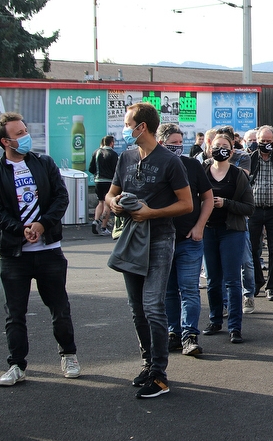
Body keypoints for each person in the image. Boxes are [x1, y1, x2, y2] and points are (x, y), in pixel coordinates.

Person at [107, 102, 192, 398]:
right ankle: (148, 364)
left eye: (128, 122)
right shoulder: (126, 157)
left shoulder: (170, 161)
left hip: (159, 240)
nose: (124, 127)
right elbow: (111, 193)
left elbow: (187, 204)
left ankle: (159, 374)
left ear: (141, 126)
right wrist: (113, 203)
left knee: (153, 306)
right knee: (137, 309)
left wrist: (150, 213)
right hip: (131, 239)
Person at [0, 112, 81, 387]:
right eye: (18, 134)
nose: (25, 136)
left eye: (25, 130)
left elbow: (61, 196)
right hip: (14, 255)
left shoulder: (44, 163)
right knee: (15, 313)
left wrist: (42, 225)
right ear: (4, 141)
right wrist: (21, 229)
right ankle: (16, 365)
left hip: (49, 251)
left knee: (59, 308)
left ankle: (69, 355)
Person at [158, 124, 212, 358]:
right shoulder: (155, 166)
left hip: (189, 239)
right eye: (173, 143)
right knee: (169, 290)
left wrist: (199, 226)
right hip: (162, 240)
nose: (178, 147)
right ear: (161, 143)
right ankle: (173, 332)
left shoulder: (192, 165)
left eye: (181, 142)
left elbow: (207, 199)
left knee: (189, 288)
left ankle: (189, 334)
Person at [201, 132, 255, 344]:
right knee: (213, 280)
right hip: (208, 230)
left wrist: (226, 203)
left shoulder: (238, 175)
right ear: (209, 148)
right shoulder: (202, 172)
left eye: (225, 146)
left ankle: (235, 326)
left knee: (232, 280)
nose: (220, 149)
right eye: (217, 145)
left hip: (232, 231)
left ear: (232, 151)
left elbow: (249, 207)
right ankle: (215, 319)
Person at [248, 125, 273, 301]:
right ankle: (258, 280)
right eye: (262, 141)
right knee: (252, 249)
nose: (265, 144)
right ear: (257, 141)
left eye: (269, 141)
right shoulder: (249, 158)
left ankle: (272, 286)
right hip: (254, 210)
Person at [88, 135, 118, 235]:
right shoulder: (113, 154)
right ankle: (104, 227)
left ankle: (95, 220)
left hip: (97, 181)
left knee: (100, 202)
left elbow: (91, 168)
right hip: (109, 182)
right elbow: (116, 170)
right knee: (107, 205)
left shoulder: (96, 152)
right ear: (111, 143)